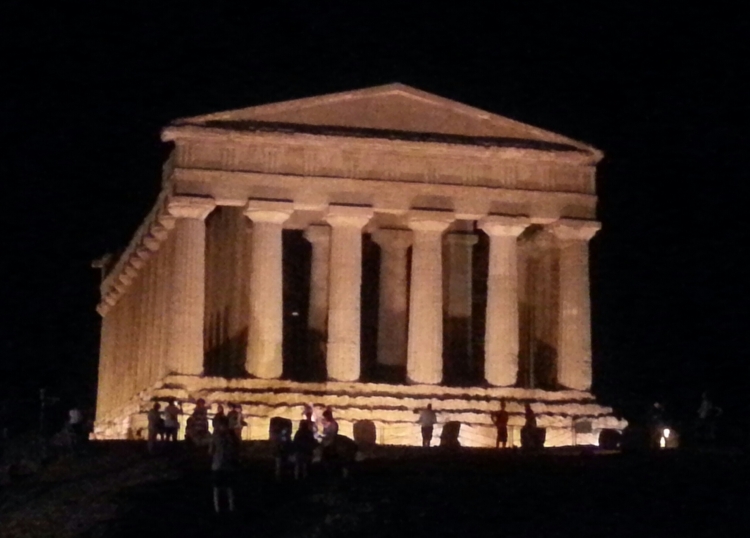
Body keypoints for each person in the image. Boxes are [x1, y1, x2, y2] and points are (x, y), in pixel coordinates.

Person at [209, 420, 237, 513]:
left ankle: (217, 508)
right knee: (229, 488)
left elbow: (210, 451)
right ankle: (231, 507)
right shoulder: (231, 437)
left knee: (217, 489)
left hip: (217, 465)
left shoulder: (215, 437)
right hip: (228, 465)